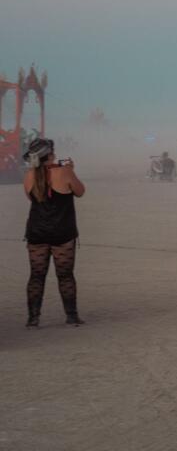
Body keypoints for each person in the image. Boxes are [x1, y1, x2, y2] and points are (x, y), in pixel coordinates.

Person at [22, 138, 85, 327]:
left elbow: (31, 198)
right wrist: (71, 170)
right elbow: (80, 191)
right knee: (65, 275)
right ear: (49, 154)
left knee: (36, 276)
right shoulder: (64, 172)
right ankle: (71, 316)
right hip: (62, 232)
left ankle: (33, 319)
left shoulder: (29, 175)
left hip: (37, 232)